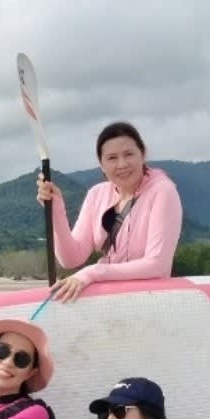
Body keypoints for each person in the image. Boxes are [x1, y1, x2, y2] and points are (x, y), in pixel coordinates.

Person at [35, 120, 184, 302]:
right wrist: (55, 209)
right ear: (102, 165)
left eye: (129, 154)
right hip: (108, 301)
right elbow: (71, 258)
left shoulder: (162, 191)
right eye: (112, 158)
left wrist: (94, 272)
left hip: (149, 300)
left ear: (142, 154)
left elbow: (157, 265)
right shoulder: (97, 194)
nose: (122, 164)